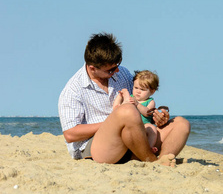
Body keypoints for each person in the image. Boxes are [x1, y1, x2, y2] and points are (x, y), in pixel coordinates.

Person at [58, 32, 190, 166]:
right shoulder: (73, 90)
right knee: (126, 111)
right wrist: (114, 122)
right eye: (111, 69)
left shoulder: (123, 73)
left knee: (181, 124)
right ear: (92, 68)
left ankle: (163, 160)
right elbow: (70, 134)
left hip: (133, 138)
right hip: (98, 146)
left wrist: (157, 115)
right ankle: (152, 161)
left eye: (117, 65)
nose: (116, 71)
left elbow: (139, 101)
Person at [113, 70, 160, 154]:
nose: (138, 91)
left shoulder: (150, 101)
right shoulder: (130, 97)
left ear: (152, 92)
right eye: (136, 88)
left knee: (152, 128)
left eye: (142, 89)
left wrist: (137, 104)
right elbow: (116, 108)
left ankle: (148, 148)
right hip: (130, 126)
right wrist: (120, 97)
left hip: (144, 126)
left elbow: (147, 112)